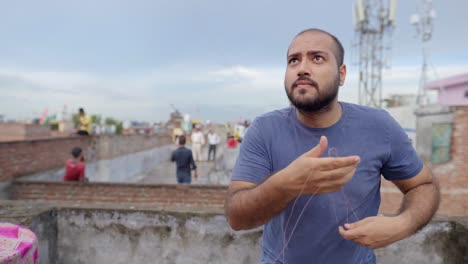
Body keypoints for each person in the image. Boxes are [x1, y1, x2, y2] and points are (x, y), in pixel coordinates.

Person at [224, 28, 440, 264]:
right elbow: (237, 217)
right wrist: (286, 184)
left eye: (317, 58)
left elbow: (423, 185)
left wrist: (403, 224)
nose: (302, 68)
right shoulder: (264, 129)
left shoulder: (379, 126)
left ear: (342, 74)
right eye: (293, 60)